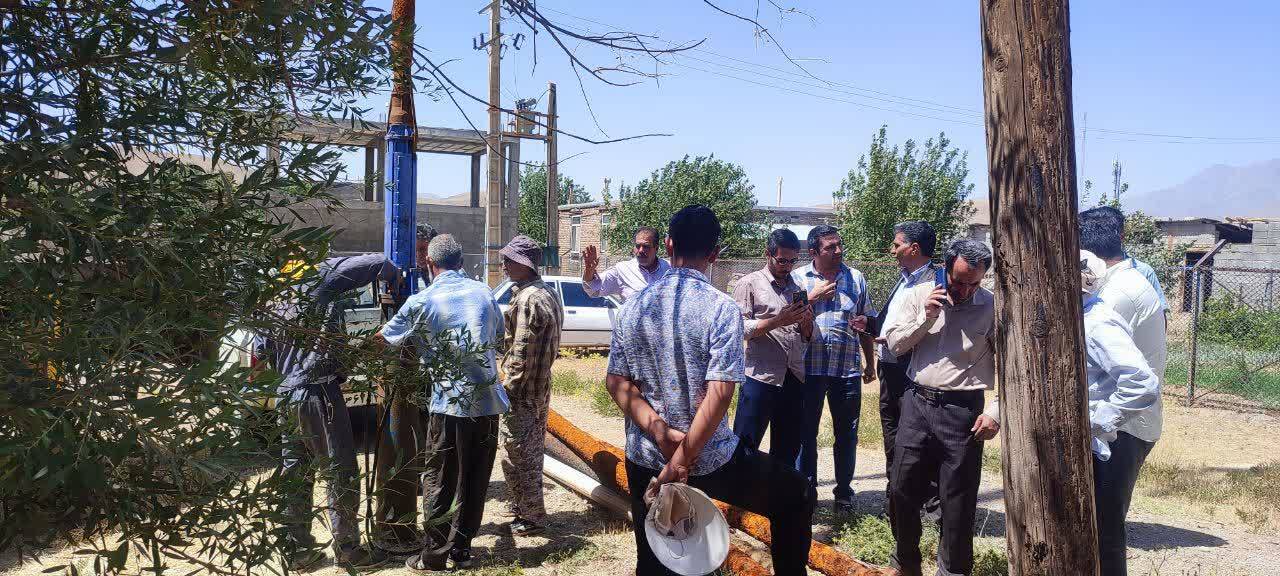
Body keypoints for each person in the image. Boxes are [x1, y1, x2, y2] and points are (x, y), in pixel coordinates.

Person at [606, 205, 816, 576]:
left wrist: (662, 434)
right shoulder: (721, 308)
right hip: (708, 458)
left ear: (668, 245)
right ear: (715, 253)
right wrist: (682, 459)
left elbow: (617, 382)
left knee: (654, 557)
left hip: (647, 455)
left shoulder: (633, 306)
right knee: (797, 495)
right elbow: (720, 393)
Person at [374, 234, 509, 572]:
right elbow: (497, 337)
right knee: (475, 479)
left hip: (450, 405)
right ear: (461, 262)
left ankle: (433, 557)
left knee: (440, 480)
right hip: (488, 404)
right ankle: (461, 551)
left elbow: (384, 340)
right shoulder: (484, 293)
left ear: (429, 263)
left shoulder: (422, 300)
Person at [255, 254, 399, 570]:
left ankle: (298, 552)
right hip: (320, 394)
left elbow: (260, 353)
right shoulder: (322, 278)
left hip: (285, 396)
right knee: (340, 471)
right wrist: (396, 280)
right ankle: (348, 550)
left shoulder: (273, 299)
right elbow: (378, 262)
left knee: (296, 473)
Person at [883, 239, 1001, 576]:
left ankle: (952, 571)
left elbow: (1013, 367)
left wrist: (995, 412)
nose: (965, 291)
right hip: (916, 403)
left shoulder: (992, 307)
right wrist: (926, 318)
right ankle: (906, 563)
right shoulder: (917, 295)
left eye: (973, 283)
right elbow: (895, 345)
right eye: (958, 282)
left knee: (957, 500)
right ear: (945, 268)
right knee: (901, 488)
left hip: (963, 411)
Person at [1078, 250, 1163, 576]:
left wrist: (1093, 423)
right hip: (1095, 443)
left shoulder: (1097, 323)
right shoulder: (1084, 316)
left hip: (1106, 444)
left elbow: (1142, 383)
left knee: (1104, 533)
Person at [791, 224, 875, 514]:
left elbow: (866, 322)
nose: (839, 251)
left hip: (846, 370)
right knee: (805, 434)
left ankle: (844, 494)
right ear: (814, 251)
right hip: (808, 370)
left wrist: (870, 363)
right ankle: (806, 492)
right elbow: (788, 319)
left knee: (847, 435)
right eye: (831, 247)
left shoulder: (856, 278)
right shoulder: (798, 278)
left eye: (840, 245)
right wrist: (812, 297)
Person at [869, 221, 942, 530]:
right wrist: (872, 326)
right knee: (893, 436)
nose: (892, 250)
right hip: (889, 368)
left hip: (911, 371)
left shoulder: (936, 283)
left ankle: (931, 510)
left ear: (913, 248)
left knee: (920, 440)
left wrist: (896, 340)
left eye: (896, 244)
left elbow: (930, 328)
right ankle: (897, 502)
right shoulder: (904, 281)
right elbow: (894, 323)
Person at [373, 222, 438, 555]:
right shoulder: (400, 280)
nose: (422, 256)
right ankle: (408, 485)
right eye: (418, 250)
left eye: (425, 249)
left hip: (429, 370)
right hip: (405, 366)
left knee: (426, 428)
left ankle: (420, 478)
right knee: (405, 429)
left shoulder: (436, 281)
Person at [497, 235, 564, 536]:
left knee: (518, 455)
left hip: (522, 393)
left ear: (525, 265)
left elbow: (521, 354)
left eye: (509, 260)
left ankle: (531, 516)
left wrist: (507, 390)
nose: (504, 264)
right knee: (530, 452)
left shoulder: (528, 299)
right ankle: (523, 509)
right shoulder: (546, 293)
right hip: (539, 389)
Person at [731, 228, 814, 465]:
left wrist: (807, 323)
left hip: (793, 376)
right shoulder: (749, 284)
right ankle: (741, 490)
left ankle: (777, 490)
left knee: (787, 449)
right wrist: (778, 321)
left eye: (792, 261)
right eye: (782, 260)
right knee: (746, 446)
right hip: (760, 377)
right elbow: (739, 328)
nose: (787, 266)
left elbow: (808, 335)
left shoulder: (798, 286)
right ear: (767, 254)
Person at [1080, 207, 1166, 433]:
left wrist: (1090, 426)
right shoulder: (1123, 280)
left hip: (1122, 429)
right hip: (1126, 423)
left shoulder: (1114, 296)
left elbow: (1139, 383)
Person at [582, 226, 670, 301]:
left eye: (646, 246)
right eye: (637, 246)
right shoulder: (623, 270)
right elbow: (593, 290)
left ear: (656, 248)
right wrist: (589, 271)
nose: (640, 250)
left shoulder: (670, 269)